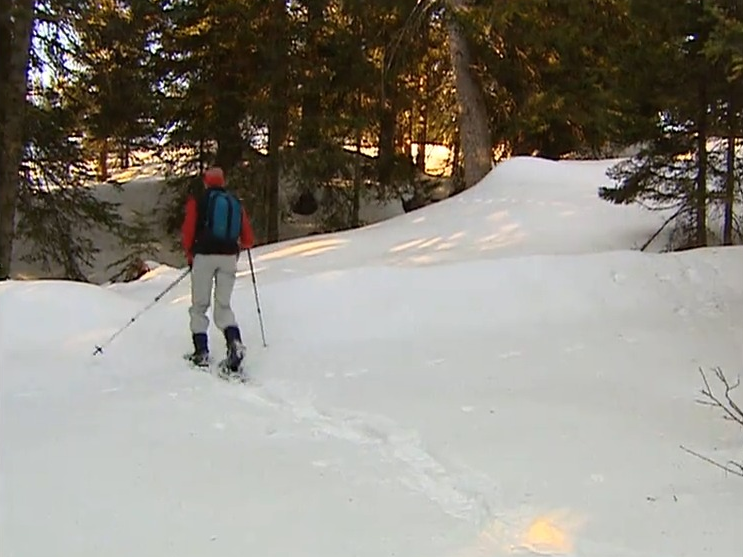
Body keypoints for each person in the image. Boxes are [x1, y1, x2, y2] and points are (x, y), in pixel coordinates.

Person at [181, 166, 255, 371]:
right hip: (229, 257)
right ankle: (234, 342)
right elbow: (248, 239)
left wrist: (189, 253)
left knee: (199, 305)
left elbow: (188, 230)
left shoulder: (199, 201)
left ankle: (201, 352)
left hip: (204, 256)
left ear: (206, 181)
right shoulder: (234, 203)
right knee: (223, 305)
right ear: (222, 182)